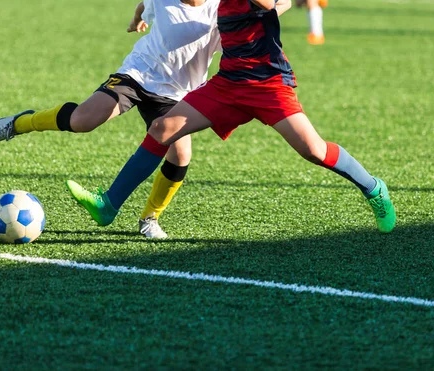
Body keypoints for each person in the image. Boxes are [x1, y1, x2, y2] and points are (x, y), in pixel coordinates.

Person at [66, 0, 396, 234]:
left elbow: (270, 5)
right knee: (163, 127)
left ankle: (374, 189)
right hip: (228, 83)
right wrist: (140, 11)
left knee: (314, 150)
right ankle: (109, 205)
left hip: (268, 85)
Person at [0, 0, 221, 238]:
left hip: (176, 94)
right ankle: (19, 123)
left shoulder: (222, 8)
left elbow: (237, 45)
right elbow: (143, 6)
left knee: (180, 156)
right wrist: (137, 19)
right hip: (139, 74)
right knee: (82, 120)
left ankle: (150, 218)